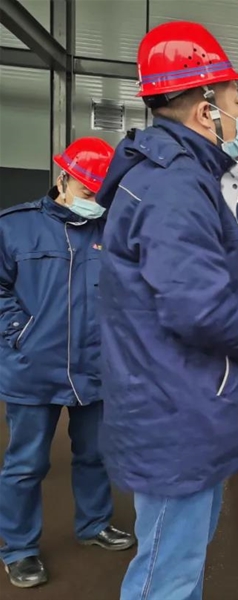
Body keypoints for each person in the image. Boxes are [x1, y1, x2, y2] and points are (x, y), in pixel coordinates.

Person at [96, 21, 238, 600]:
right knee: (167, 575)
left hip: (177, 404)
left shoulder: (179, 177)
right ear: (206, 108)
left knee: (180, 563)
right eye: (236, 99)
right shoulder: (175, 185)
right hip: (174, 414)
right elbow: (197, 307)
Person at [0, 137, 134, 589]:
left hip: (96, 367)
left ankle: (93, 524)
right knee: (26, 463)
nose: (95, 201)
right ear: (62, 179)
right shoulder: (16, 226)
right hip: (33, 367)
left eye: (102, 194)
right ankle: (19, 548)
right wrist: (17, 332)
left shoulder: (113, 231)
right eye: (87, 191)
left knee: (95, 455)